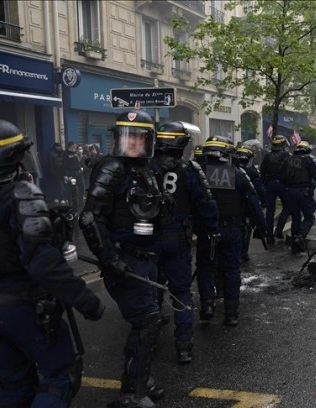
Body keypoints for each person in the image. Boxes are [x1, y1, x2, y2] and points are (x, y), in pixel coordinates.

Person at [0, 119, 105, 407]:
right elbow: (42, 263)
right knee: (60, 376)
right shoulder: (20, 195)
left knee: (15, 384)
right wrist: (86, 300)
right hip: (22, 305)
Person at [79, 110, 169, 407]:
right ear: (118, 138)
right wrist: (109, 258)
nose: (132, 144)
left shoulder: (146, 171)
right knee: (147, 321)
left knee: (145, 323)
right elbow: (90, 218)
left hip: (148, 259)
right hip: (126, 260)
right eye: (127, 137)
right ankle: (132, 393)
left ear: (148, 141)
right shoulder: (112, 168)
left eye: (138, 138)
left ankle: (139, 378)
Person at [150, 121, 218, 364]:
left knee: (152, 289)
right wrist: (210, 230)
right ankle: (184, 346)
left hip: (148, 240)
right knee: (180, 293)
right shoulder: (190, 169)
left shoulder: (145, 167)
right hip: (177, 238)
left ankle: (151, 338)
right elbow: (205, 205)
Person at [195, 136, 267, 326]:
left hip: (207, 230)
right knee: (232, 270)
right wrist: (262, 226)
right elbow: (253, 201)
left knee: (206, 267)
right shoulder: (237, 174)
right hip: (231, 229)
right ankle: (231, 313)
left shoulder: (197, 173)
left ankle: (208, 305)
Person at [280, 140, 316, 254]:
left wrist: (287, 188)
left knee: (295, 218)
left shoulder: (287, 160)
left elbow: (281, 176)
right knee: (309, 217)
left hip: (290, 192)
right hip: (304, 192)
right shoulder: (308, 159)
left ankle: (295, 246)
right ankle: (300, 237)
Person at [234, 145, 266, 261]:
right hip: (247, 204)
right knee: (246, 227)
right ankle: (243, 253)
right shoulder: (251, 171)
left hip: (234, 205)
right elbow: (258, 188)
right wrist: (263, 201)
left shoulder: (231, 169)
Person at [260, 135, 291, 244]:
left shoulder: (267, 156)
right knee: (288, 207)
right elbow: (290, 171)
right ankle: (279, 229)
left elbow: (262, 171)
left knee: (270, 210)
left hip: (269, 184)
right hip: (282, 184)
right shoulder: (286, 156)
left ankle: (269, 235)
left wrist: (264, 183)